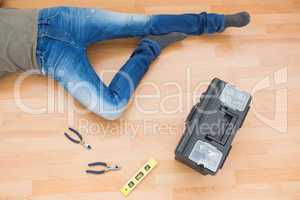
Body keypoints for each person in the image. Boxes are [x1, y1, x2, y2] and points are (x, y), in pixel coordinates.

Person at [0, 6, 250, 120]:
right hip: (51, 56)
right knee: (112, 109)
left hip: (56, 19)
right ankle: (150, 47)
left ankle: (215, 21)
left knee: (143, 22)